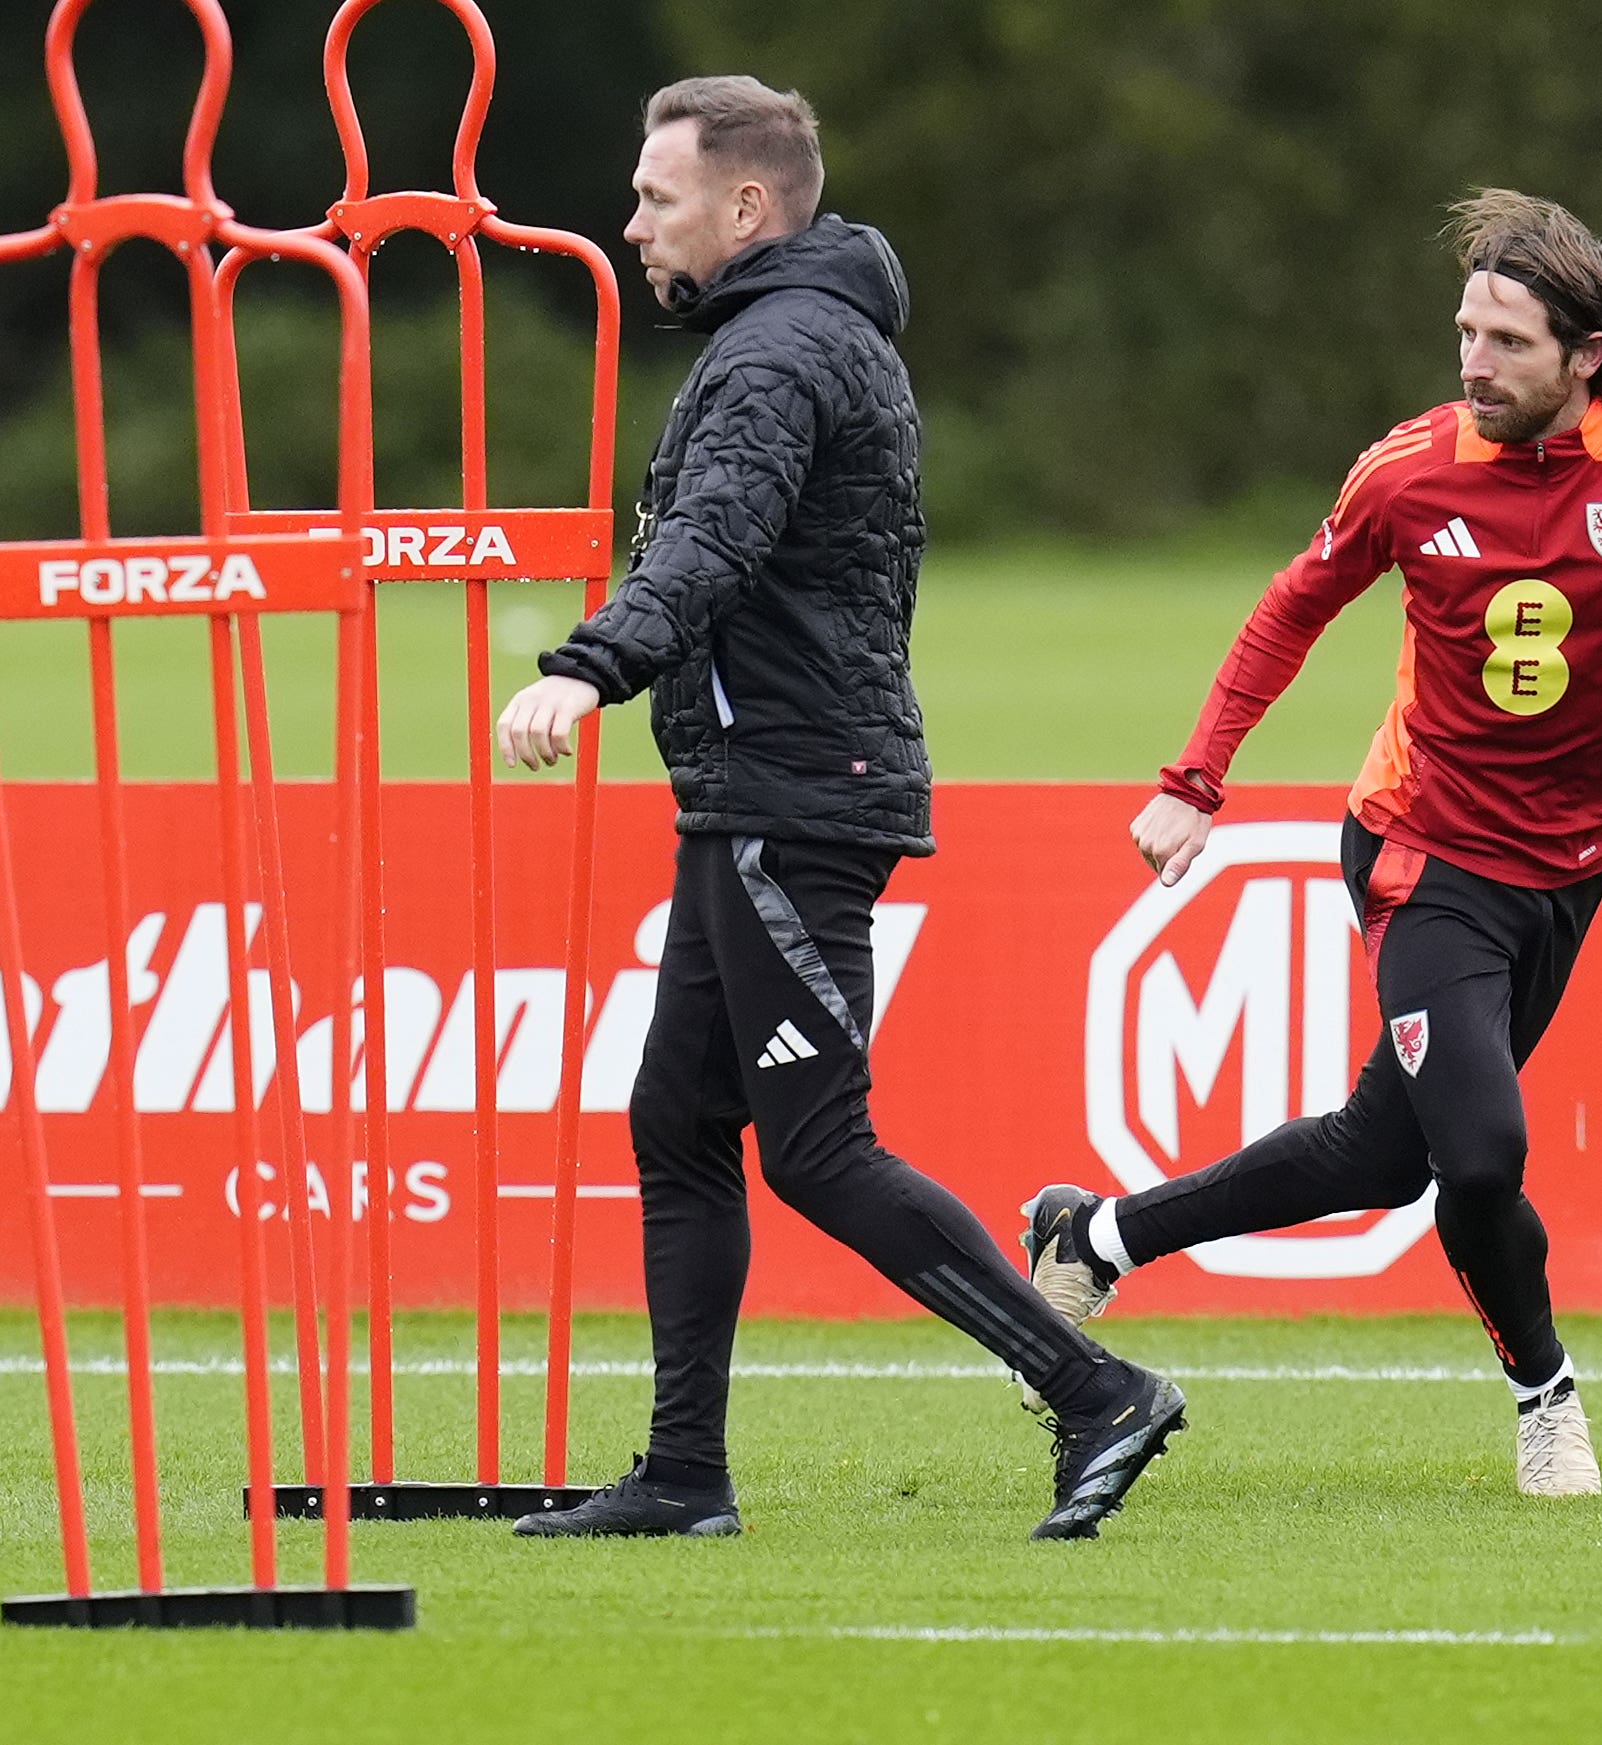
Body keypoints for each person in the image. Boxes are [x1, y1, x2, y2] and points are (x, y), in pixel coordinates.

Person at [1018, 190, 1602, 1498]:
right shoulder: (1408, 468)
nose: (1472, 364)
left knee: (1384, 1152)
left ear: (1587, 355)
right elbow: (1285, 612)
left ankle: (1101, 1231)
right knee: (1479, 1154)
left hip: (1568, 869)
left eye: (1508, 343)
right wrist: (1194, 776)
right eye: (1465, 332)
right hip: (1420, 853)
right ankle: (1547, 1400)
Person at [495, 76, 1183, 1542]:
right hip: (761, 793)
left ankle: (1094, 1389)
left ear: (746, 207)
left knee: (814, 1146)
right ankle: (684, 1473)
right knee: (677, 1125)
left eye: (656, 198)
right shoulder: (803, 333)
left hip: (794, 798)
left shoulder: (776, 353)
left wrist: (587, 668)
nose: (631, 226)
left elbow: (714, 543)